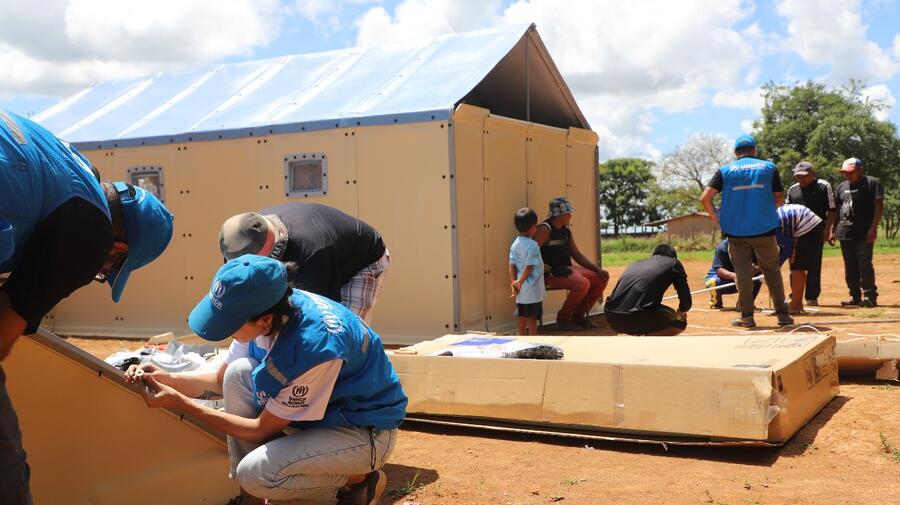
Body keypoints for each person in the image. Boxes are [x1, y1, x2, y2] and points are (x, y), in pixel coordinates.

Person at [126, 255, 407, 505]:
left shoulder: (315, 346)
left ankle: (357, 482)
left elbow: (260, 429)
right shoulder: (271, 306)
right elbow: (218, 379)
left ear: (263, 321)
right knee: (237, 374)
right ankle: (254, 495)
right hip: (322, 417)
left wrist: (183, 404)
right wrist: (167, 378)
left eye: (230, 324)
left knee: (256, 475)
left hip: (363, 433)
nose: (225, 331)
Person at [0, 109, 174, 505]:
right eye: (108, 269)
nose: (98, 270)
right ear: (118, 248)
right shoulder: (90, 229)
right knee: (5, 465)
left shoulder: (63, 163)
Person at [219, 203, 389, 324]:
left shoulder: (312, 251)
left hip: (362, 262)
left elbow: (326, 312)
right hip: (319, 255)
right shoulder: (237, 241)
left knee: (345, 329)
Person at [700, 134, 793, 328]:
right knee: (771, 271)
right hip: (765, 229)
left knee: (742, 273)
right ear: (754, 150)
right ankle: (783, 316)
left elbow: (705, 198)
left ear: (736, 153)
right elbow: (778, 198)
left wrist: (716, 218)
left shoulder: (725, 171)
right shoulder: (768, 168)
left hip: (735, 232)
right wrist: (764, 210)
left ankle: (747, 317)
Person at [534, 197, 609, 329]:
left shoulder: (565, 230)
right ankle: (563, 319)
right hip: (550, 274)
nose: (570, 215)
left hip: (566, 270)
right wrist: (550, 270)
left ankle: (578, 317)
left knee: (600, 279)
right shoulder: (544, 229)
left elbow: (577, 255)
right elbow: (532, 255)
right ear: (559, 214)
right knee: (582, 283)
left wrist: (597, 269)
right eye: (568, 212)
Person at [604, 244, 691, 336]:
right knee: (679, 322)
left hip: (611, 317)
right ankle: (650, 341)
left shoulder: (636, 263)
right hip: (636, 317)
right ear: (673, 257)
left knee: (646, 311)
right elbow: (686, 302)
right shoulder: (674, 263)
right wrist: (681, 312)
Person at [833, 157, 884, 307]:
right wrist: (832, 229)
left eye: (851, 172)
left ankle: (869, 296)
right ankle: (854, 296)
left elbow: (879, 205)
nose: (848, 176)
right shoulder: (841, 186)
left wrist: (873, 227)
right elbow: (836, 210)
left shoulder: (872, 183)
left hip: (864, 233)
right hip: (845, 232)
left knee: (864, 264)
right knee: (850, 267)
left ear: (861, 170)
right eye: (845, 173)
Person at [786, 161, 837, 306]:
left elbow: (832, 210)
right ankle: (795, 294)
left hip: (816, 232)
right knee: (795, 266)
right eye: (798, 177)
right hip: (796, 234)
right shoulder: (793, 190)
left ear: (812, 174)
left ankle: (812, 296)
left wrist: (828, 231)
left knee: (814, 265)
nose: (800, 179)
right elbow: (788, 211)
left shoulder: (823, 186)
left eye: (804, 176)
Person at [775, 204, 823, 314]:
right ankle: (798, 304)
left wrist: (777, 265)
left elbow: (787, 246)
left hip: (806, 226)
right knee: (796, 266)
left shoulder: (771, 227)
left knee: (797, 267)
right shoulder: (771, 222)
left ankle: (795, 305)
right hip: (810, 225)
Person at [508, 208, 544, 335]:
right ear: (533, 226)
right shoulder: (533, 245)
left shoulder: (514, 244)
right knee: (532, 317)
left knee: (522, 315)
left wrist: (514, 282)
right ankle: (533, 340)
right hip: (532, 289)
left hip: (521, 290)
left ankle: (521, 338)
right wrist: (520, 281)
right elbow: (530, 266)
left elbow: (512, 264)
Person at [704, 239, 762, 309]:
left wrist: (754, 270)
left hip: (743, 280)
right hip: (723, 280)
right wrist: (734, 276)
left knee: (758, 277)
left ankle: (745, 303)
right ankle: (716, 302)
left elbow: (760, 264)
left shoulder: (751, 245)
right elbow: (718, 269)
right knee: (714, 282)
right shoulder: (723, 247)